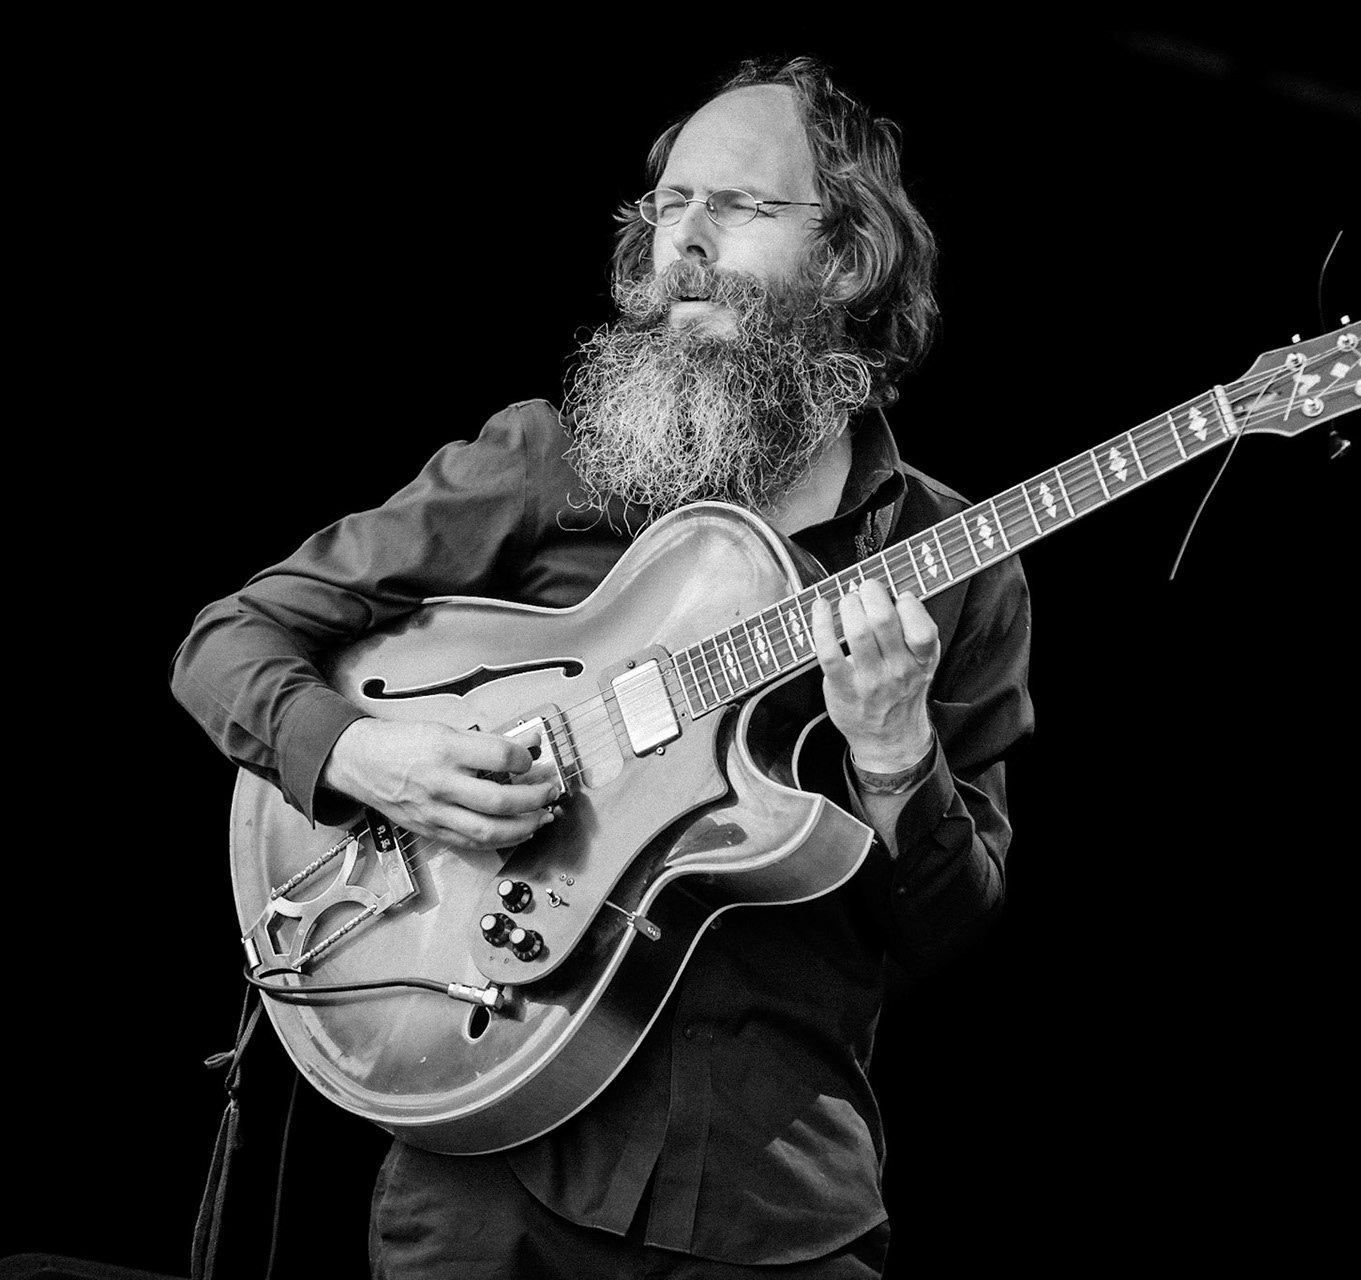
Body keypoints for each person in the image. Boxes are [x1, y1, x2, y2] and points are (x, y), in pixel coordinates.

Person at [171, 56, 1032, 1279]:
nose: (686, 243)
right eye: (670, 207)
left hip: (771, 1202)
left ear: (848, 257)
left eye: (738, 207)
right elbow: (228, 642)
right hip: (489, 1174)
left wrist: (896, 755)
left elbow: (947, 928)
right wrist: (369, 757)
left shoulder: (961, 565)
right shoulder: (551, 461)